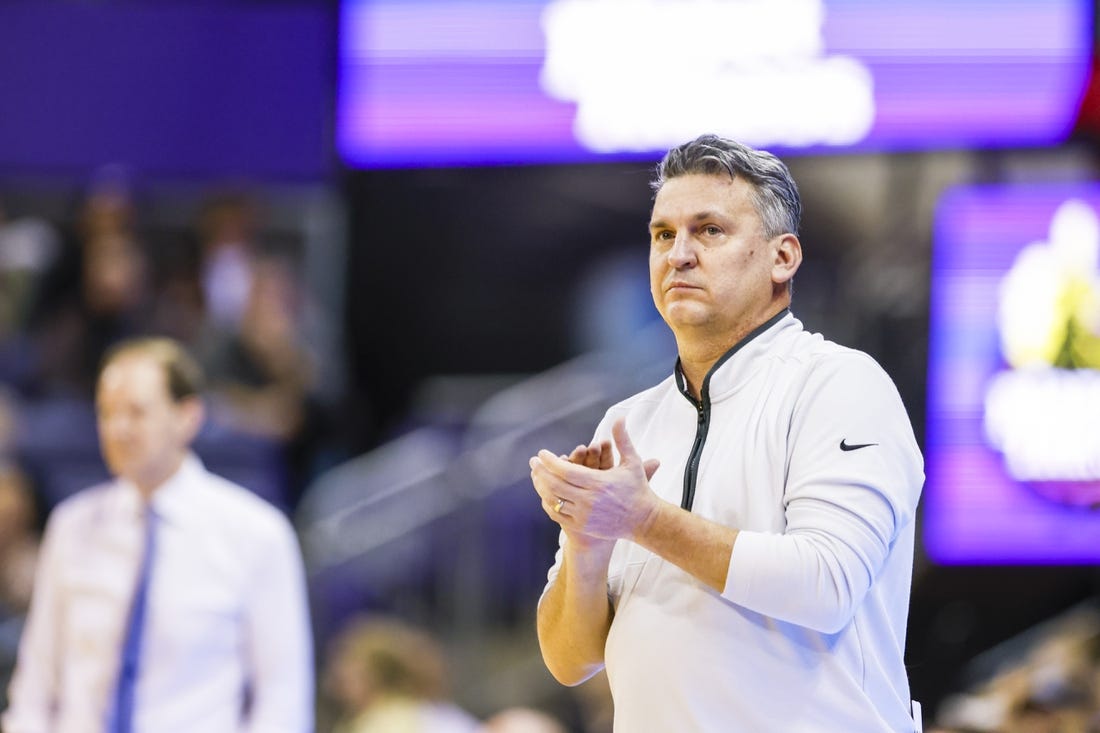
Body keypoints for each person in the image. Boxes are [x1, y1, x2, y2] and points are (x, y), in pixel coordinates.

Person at [529, 134, 924, 732]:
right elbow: (569, 660)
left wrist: (641, 520)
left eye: (709, 230)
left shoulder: (841, 384)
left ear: (782, 257)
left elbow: (827, 584)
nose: (678, 254)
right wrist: (588, 542)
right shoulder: (629, 421)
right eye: (664, 234)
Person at [1, 337, 314, 732]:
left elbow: (282, 698)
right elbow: (36, 681)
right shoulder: (72, 525)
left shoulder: (256, 534)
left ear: (187, 416)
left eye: (136, 412)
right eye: (107, 413)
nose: (118, 429)